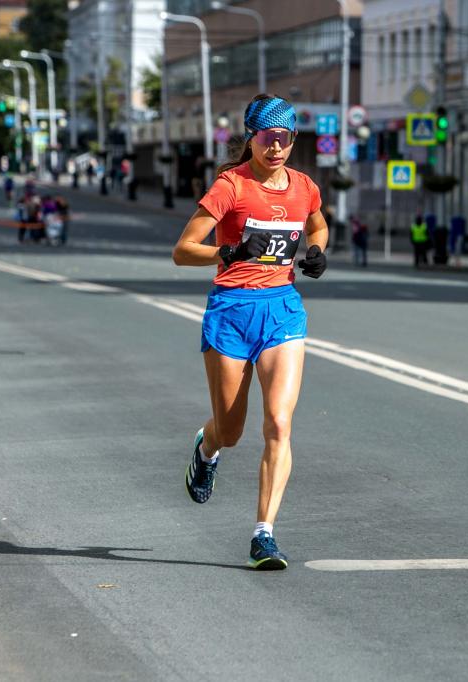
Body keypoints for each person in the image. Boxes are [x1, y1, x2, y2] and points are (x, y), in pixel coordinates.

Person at [172, 94, 328, 571]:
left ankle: (264, 534)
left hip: (282, 311)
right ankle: (207, 446)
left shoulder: (304, 187)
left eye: (284, 138)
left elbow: (317, 225)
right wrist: (230, 251)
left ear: (293, 140)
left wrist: (317, 251)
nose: (276, 147)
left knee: (279, 423)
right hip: (231, 312)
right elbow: (183, 250)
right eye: (267, 138)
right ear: (252, 139)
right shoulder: (230, 186)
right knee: (232, 430)